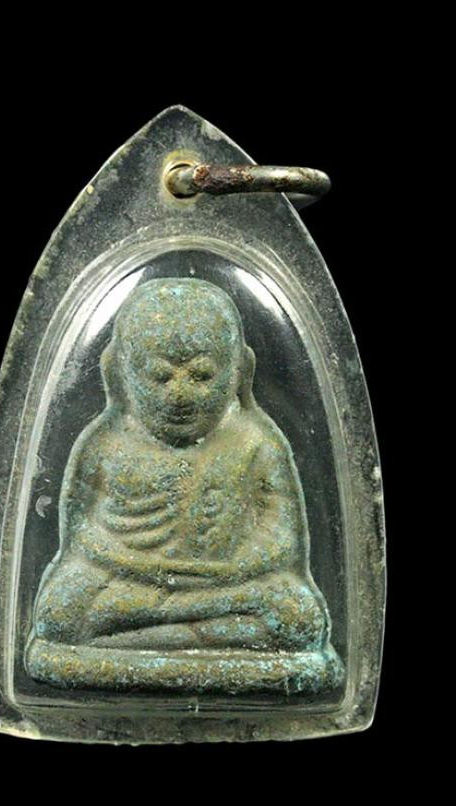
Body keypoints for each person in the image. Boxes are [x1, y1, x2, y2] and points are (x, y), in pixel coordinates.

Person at [26, 278, 343, 693]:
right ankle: (207, 651)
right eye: (159, 376)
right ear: (119, 372)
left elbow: (283, 538)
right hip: (131, 580)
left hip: (227, 584)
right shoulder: (104, 442)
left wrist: (232, 570)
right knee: (58, 613)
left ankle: (129, 653)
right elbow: (79, 537)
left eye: (201, 375)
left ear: (239, 371)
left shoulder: (256, 441)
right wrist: (141, 566)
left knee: (299, 617)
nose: (179, 394)